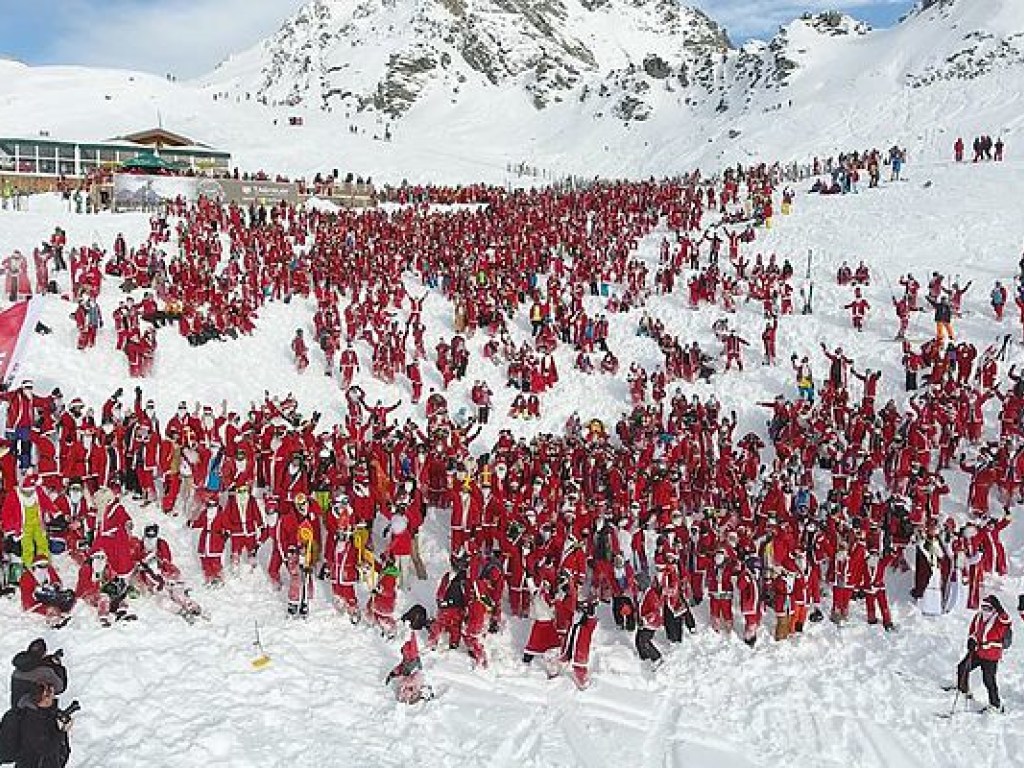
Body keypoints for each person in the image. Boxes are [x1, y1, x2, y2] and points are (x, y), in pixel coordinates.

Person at [952, 594, 1012, 713]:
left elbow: (1007, 620)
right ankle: (963, 691)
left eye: (988, 608)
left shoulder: (998, 619)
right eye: (983, 607)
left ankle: (996, 705)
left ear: (994, 608)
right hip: (978, 652)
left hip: (991, 655)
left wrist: (1000, 609)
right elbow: (974, 631)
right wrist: (972, 640)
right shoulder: (979, 617)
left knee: (989, 680)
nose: (985, 610)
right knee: (962, 667)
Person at [10, 681, 74, 768]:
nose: (53, 695)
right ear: (45, 698)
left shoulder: (47, 712)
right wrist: (62, 731)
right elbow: (46, 749)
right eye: (50, 692)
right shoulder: (32, 720)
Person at [10, 640, 67, 710]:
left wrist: (48, 660)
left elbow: (35, 664)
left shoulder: (18, 669)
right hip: (34, 712)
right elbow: (60, 687)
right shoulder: (45, 672)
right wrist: (58, 666)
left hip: (16, 709)